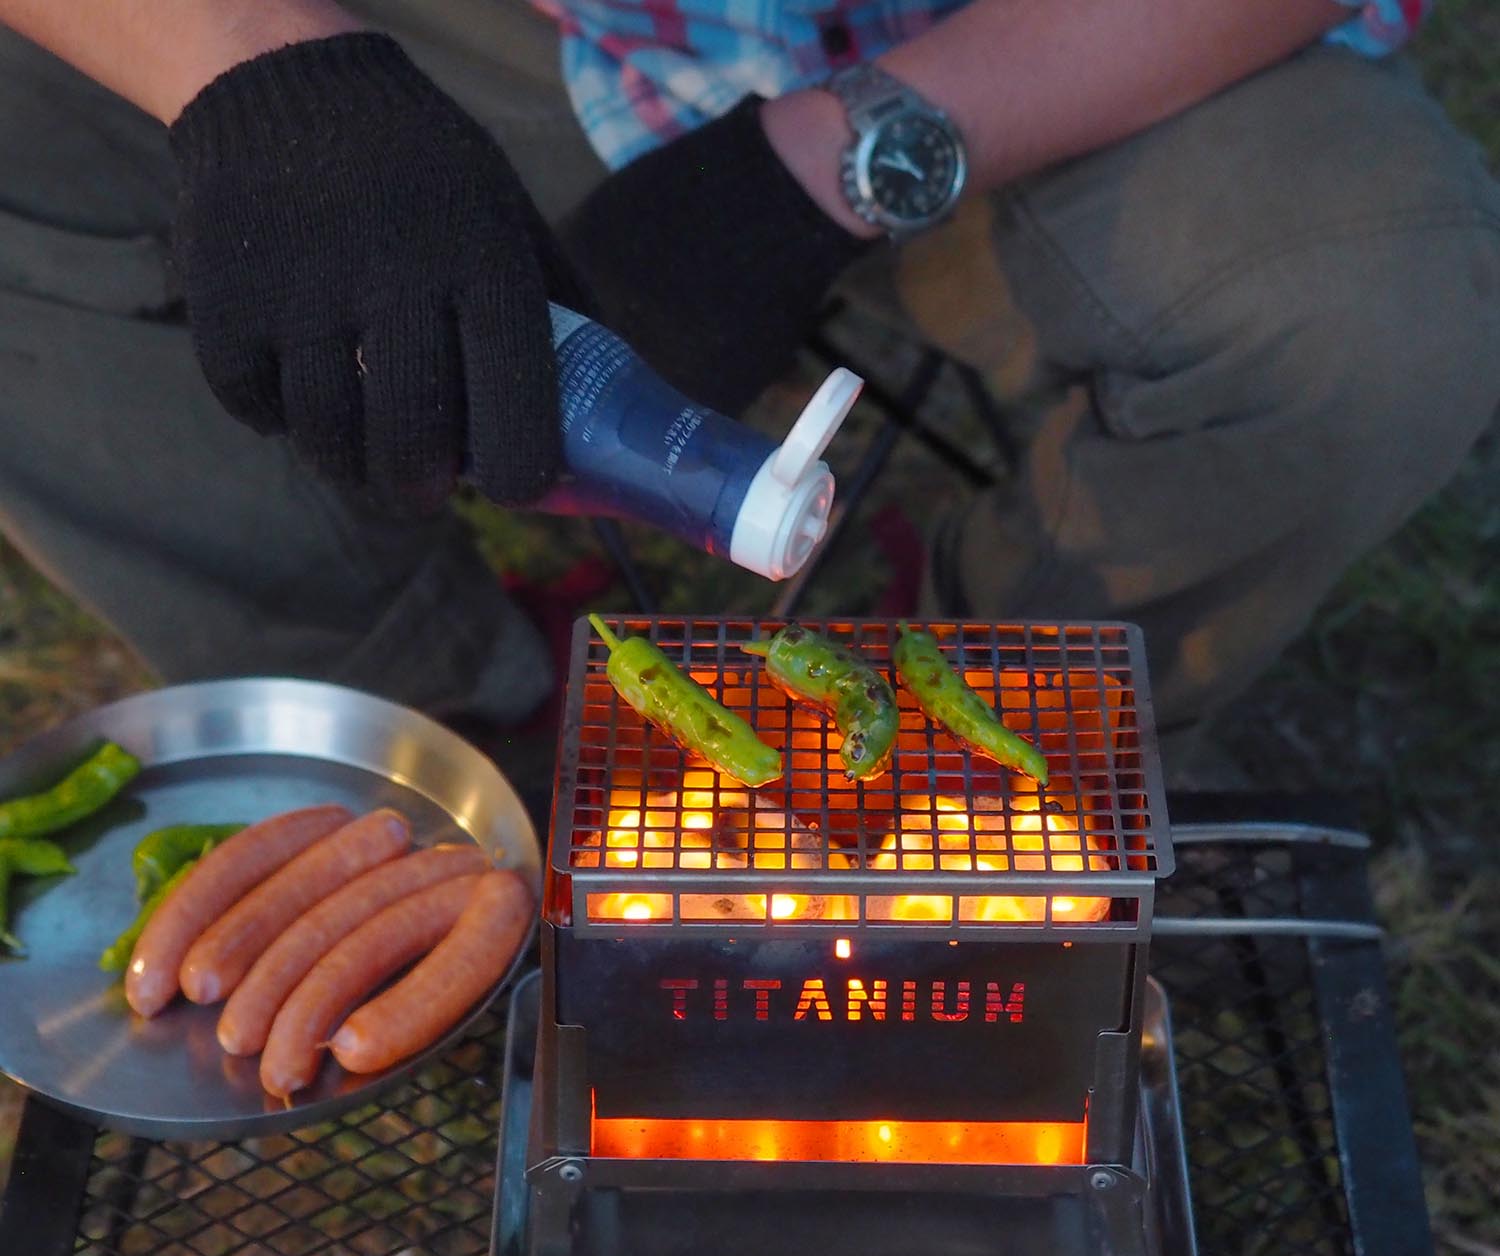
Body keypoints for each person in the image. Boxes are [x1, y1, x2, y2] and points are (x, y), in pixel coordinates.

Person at [0, 0, 1496, 767]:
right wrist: (273, 75)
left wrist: (802, 180)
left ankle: (955, 760)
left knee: (1379, 299)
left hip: (1050, 57)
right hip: (500, 42)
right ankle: (442, 731)